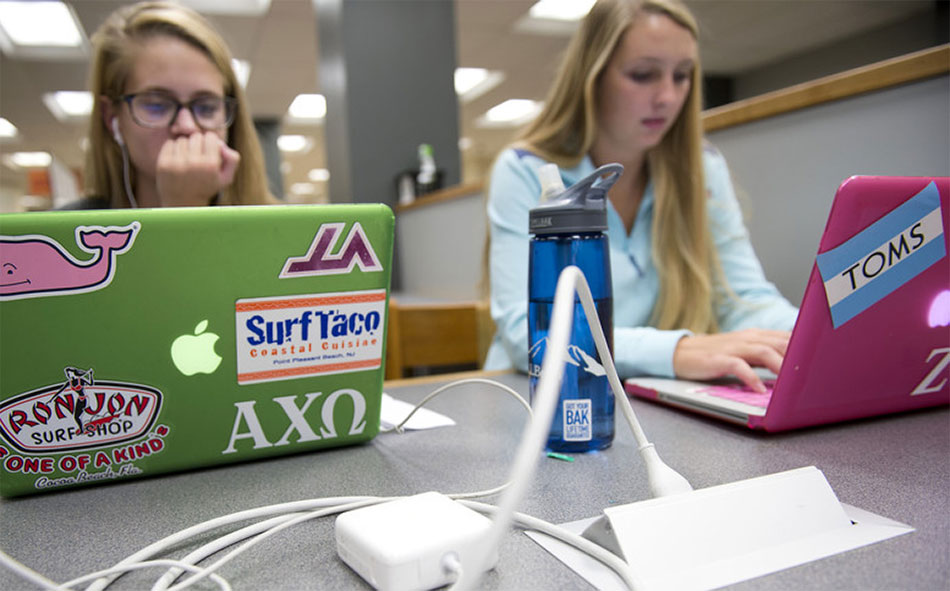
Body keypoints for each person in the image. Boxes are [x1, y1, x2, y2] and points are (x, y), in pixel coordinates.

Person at [484, 0, 798, 393]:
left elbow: (744, 299)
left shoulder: (703, 168)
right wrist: (676, 351)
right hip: (539, 396)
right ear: (592, 76)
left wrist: (814, 338)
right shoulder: (525, 170)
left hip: (646, 398)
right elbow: (526, 332)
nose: (668, 97)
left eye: (682, 76)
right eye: (643, 74)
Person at [78, 1, 274, 209]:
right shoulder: (70, 235)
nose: (187, 126)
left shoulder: (285, 230)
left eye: (206, 108)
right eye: (157, 106)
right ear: (111, 117)